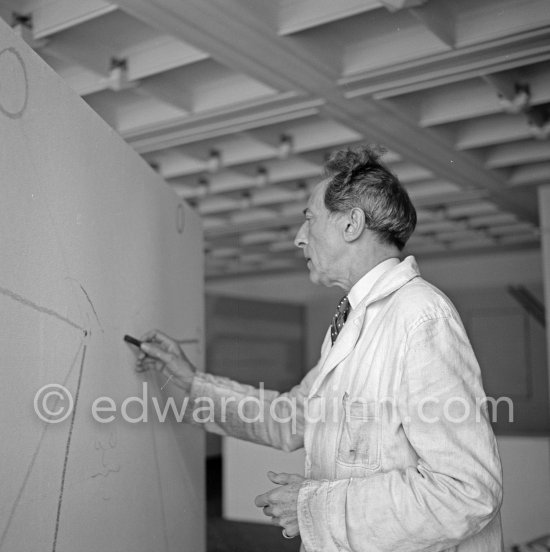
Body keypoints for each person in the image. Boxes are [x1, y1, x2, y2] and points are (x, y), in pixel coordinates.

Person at [136, 146, 504, 551]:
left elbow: (466, 491)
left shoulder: (420, 317)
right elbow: (292, 418)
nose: (298, 238)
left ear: (351, 224)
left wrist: (315, 509)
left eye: (309, 219)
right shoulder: (351, 322)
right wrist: (191, 383)